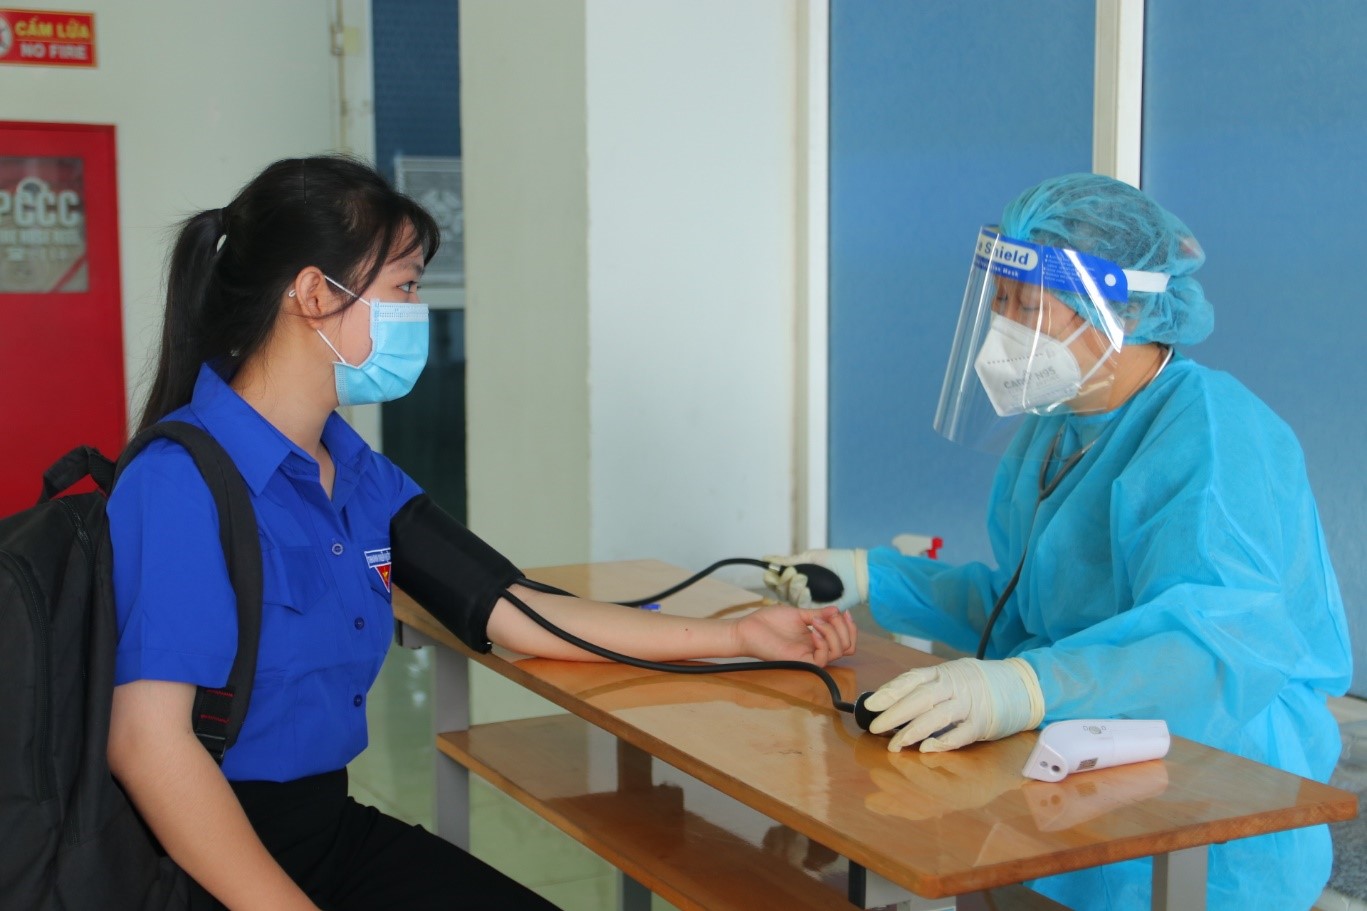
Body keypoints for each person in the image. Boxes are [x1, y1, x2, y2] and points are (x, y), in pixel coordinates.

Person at [106, 154, 857, 911]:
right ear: (314, 293)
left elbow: (515, 608)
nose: (418, 311)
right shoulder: (178, 481)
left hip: (326, 831)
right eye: (404, 286)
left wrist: (737, 636)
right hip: (204, 861)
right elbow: (147, 743)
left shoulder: (356, 471)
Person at [764, 173, 1352, 911]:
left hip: (1211, 784)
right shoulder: (1059, 424)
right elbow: (1029, 606)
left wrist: (1026, 686)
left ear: (1118, 309)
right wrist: (871, 575)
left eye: (1028, 304)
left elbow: (1215, 651)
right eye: (999, 300)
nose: (1004, 324)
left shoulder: (1213, 432)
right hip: (1074, 770)